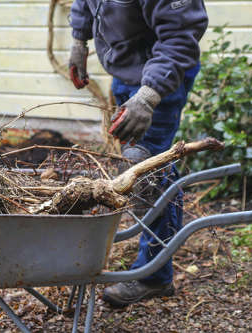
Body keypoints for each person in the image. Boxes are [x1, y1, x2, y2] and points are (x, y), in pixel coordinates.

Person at [68, 0, 208, 306]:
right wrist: (79, 40)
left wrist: (148, 96)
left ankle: (154, 277)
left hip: (159, 77)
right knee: (149, 170)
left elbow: (181, 35)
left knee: (146, 173)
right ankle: (157, 265)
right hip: (126, 70)